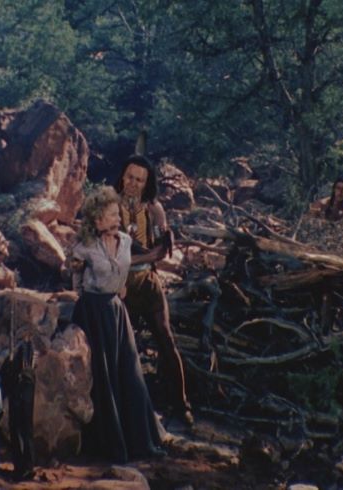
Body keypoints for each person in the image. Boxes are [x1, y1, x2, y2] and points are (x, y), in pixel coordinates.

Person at [70, 186, 166, 463]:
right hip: (92, 312)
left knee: (129, 373)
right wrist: (84, 292)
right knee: (101, 376)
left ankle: (140, 442)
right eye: (112, 214)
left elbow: (126, 268)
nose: (117, 218)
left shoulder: (125, 241)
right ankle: (106, 445)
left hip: (115, 311)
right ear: (97, 218)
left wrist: (120, 287)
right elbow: (75, 277)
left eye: (117, 214)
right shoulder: (85, 246)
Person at [115, 155, 194, 426]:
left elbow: (162, 250)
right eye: (130, 177)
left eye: (139, 180)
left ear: (147, 183)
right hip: (118, 285)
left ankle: (181, 404)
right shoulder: (109, 205)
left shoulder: (154, 209)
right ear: (122, 176)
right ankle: (124, 408)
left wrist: (133, 259)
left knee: (165, 338)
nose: (133, 183)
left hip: (147, 282)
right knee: (122, 345)